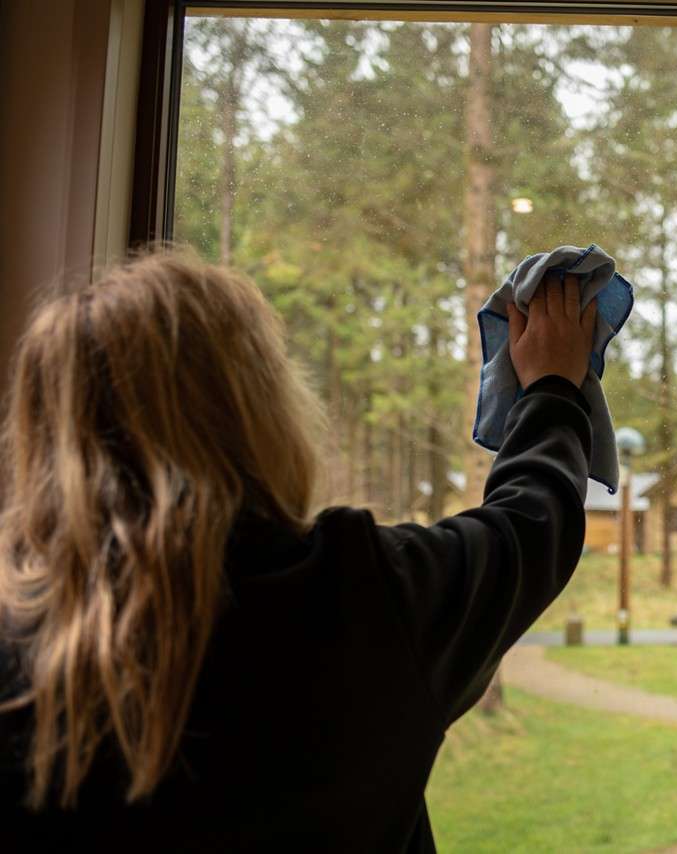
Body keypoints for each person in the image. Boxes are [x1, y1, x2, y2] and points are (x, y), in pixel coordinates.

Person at [0, 250, 597, 852]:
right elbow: (532, 522)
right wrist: (549, 388)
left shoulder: (18, 640)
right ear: (251, 409)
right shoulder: (356, 596)